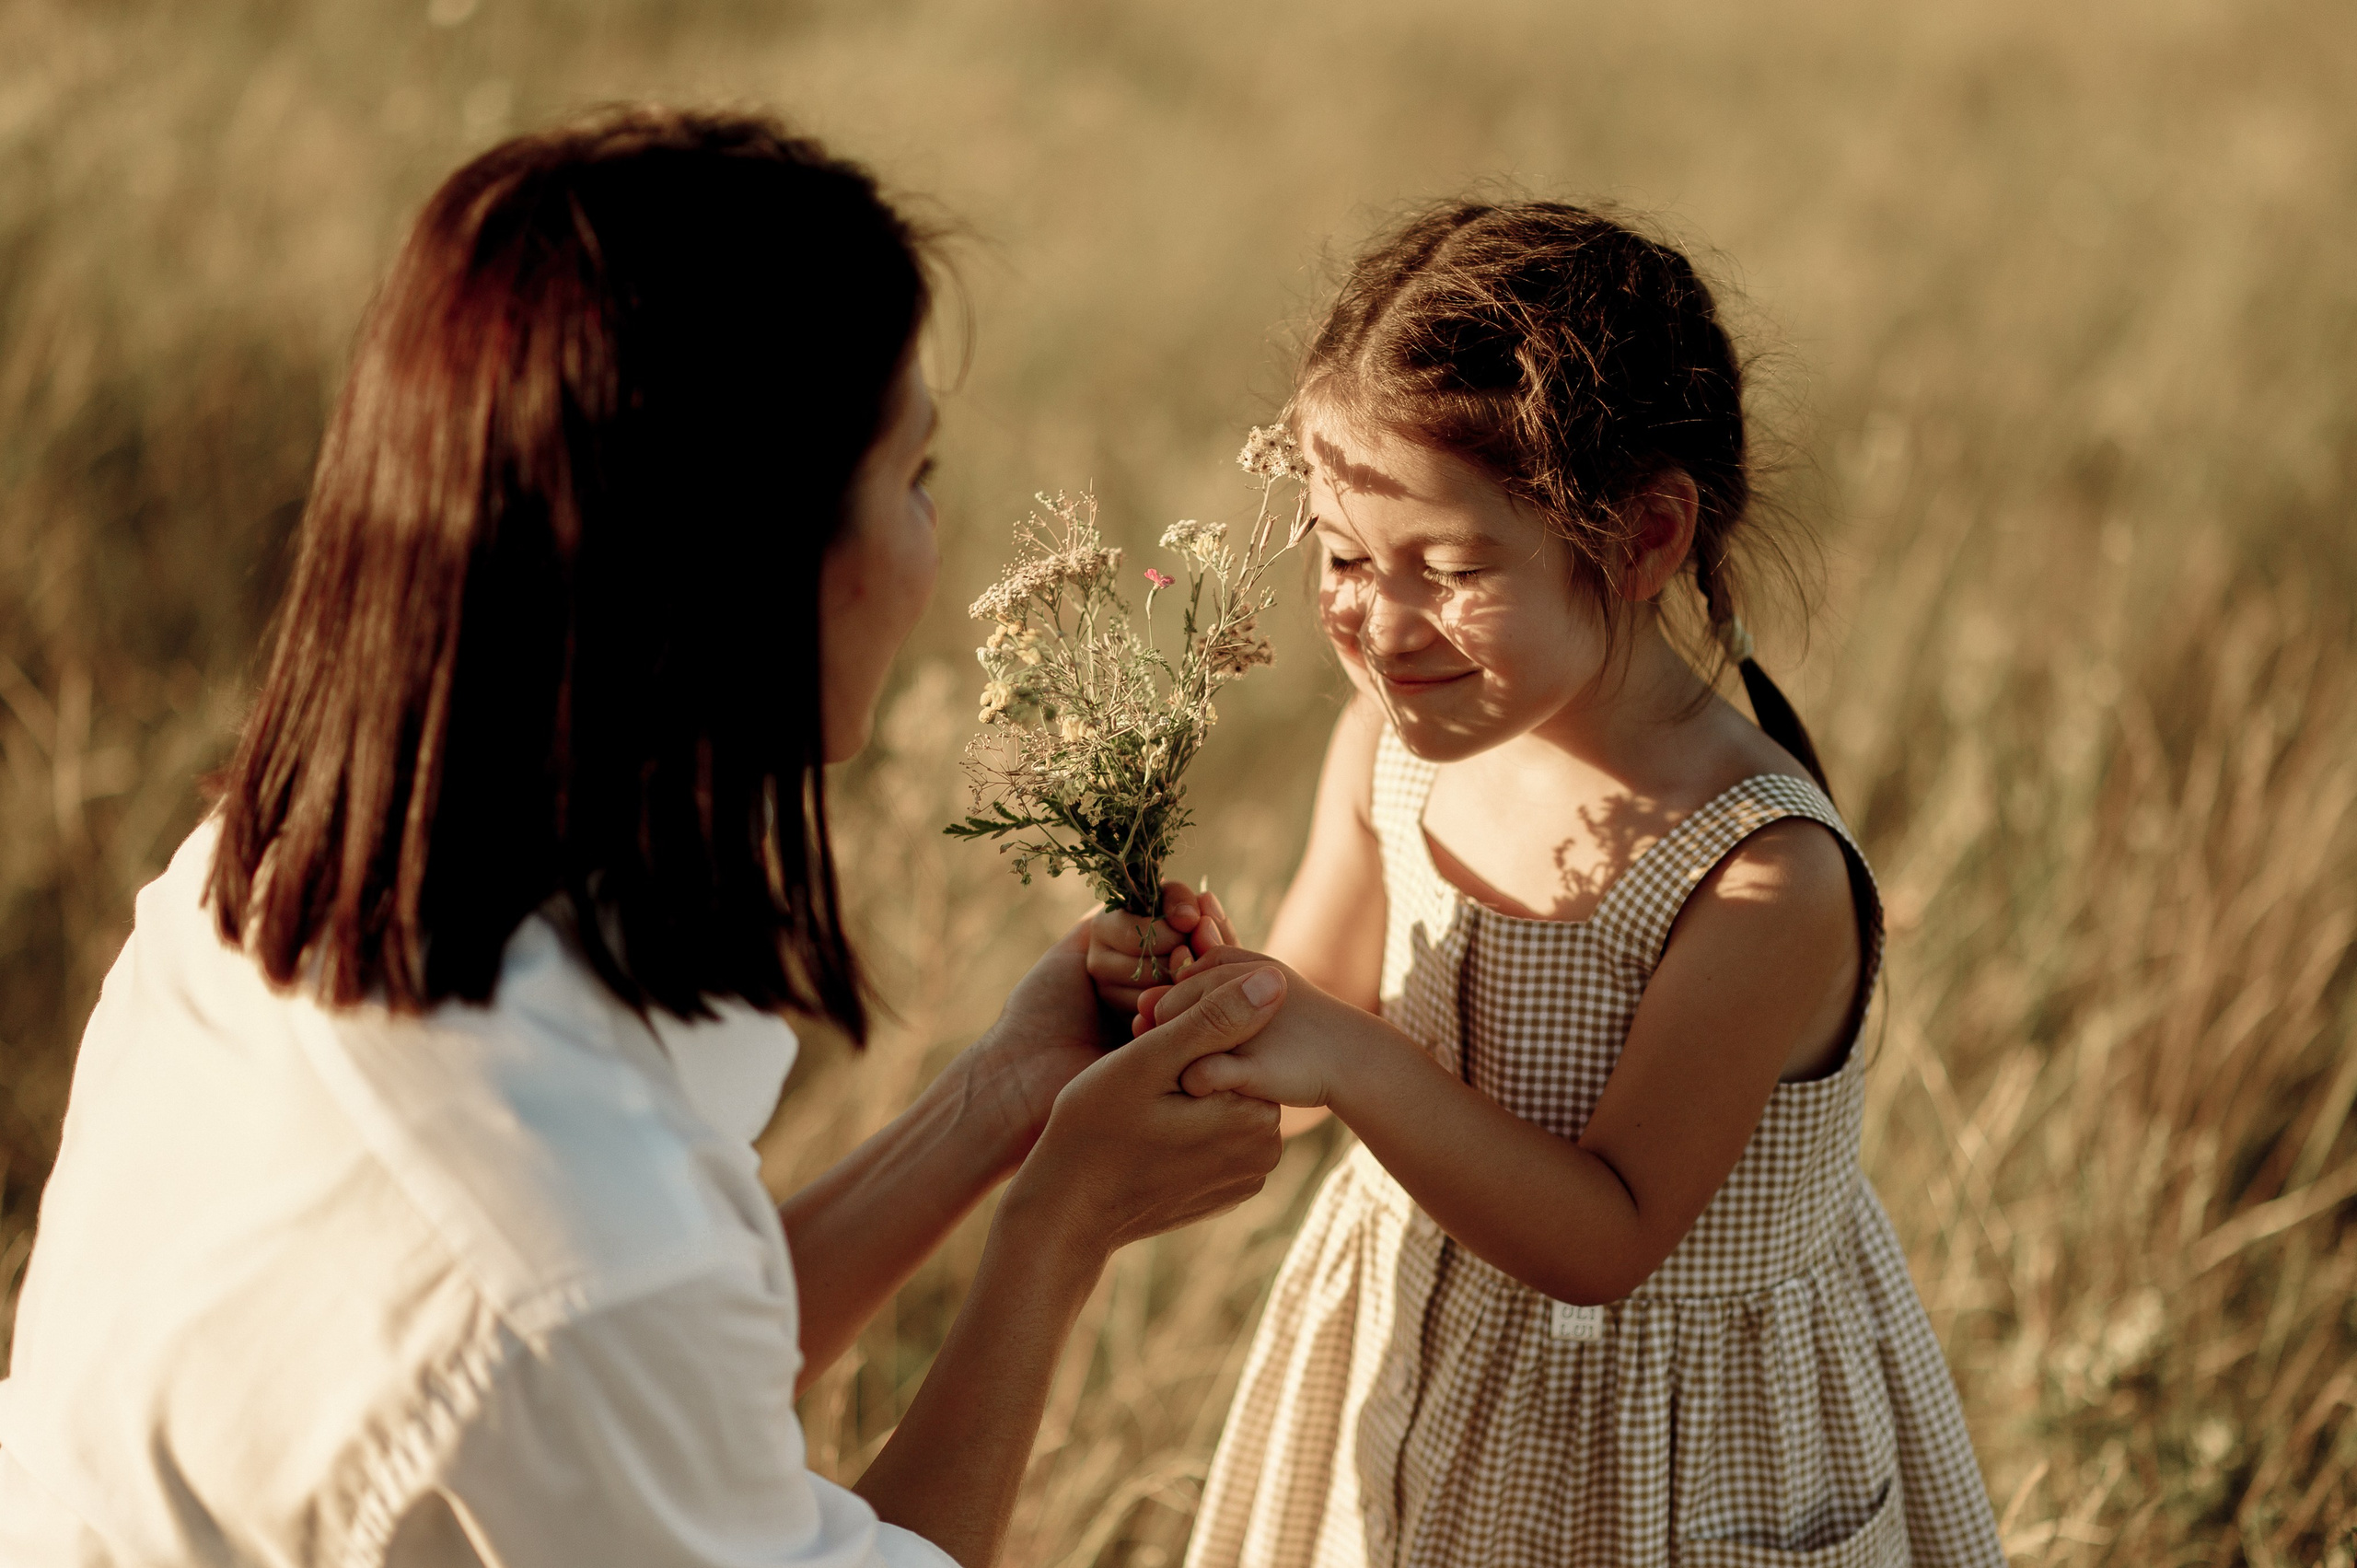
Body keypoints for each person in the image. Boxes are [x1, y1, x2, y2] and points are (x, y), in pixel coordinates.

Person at [0, 109, 1287, 1568]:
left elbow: (626, 1398)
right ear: (742, 566)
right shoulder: (573, 1263)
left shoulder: (262, 884)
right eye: (913, 479)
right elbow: (585, 1331)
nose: (937, 546)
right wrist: (1061, 1230)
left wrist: (995, 1108)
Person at [1092, 204, 2005, 1566]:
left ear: (1643, 541)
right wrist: (1214, 1009)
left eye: (1452, 572)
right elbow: (1317, 1030)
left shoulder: (1758, 873)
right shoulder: (1387, 754)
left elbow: (1609, 1235)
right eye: (1345, 557)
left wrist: (1338, 1054)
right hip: (1411, 1378)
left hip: (1669, 1459)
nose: (1381, 627)